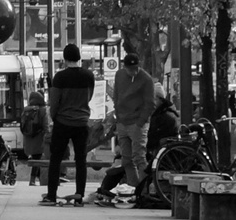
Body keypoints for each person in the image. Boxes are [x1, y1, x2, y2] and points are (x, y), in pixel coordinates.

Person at [90, 52, 156, 204]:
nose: (132, 71)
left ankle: (143, 191)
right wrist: (118, 116)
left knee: (139, 156)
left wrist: (140, 122)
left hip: (137, 123)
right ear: (125, 67)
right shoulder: (120, 75)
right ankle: (133, 189)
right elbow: (117, 95)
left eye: (135, 68)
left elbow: (149, 103)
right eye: (129, 68)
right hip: (123, 122)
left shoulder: (146, 79)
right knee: (126, 159)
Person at [41, 43, 96, 206]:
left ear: (65, 58)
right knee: (81, 160)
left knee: (55, 159)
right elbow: (90, 95)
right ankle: (79, 195)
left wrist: (54, 117)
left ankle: (51, 195)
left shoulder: (60, 77)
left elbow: (54, 101)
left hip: (63, 122)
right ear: (79, 57)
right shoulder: (89, 76)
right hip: (82, 122)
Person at [20, 89, 48, 186]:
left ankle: (38, 179)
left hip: (28, 138)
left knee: (37, 158)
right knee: (38, 158)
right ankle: (32, 180)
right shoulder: (42, 110)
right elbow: (46, 125)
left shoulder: (26, 110)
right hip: (39, 137)